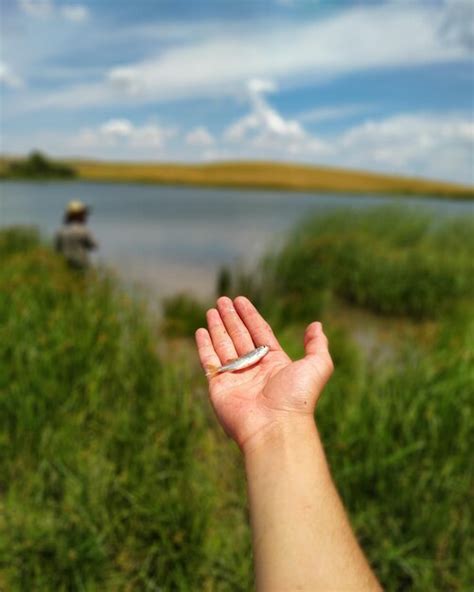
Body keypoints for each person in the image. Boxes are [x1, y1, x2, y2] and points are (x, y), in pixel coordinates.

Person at [195, 296, 381, 592]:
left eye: (263, 350)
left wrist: (282, 421)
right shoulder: (256, 355)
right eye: (262, 350)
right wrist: (283, 426)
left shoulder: (261, 358)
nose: (263, 351)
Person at [55, 200, 97, 269]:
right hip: (81, 265)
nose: (85, 217)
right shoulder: (83, 230)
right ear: (78, 216)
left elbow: (57, 249)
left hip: (65, 265)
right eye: (83, 214)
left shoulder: (60, 231)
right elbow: (93, 245)